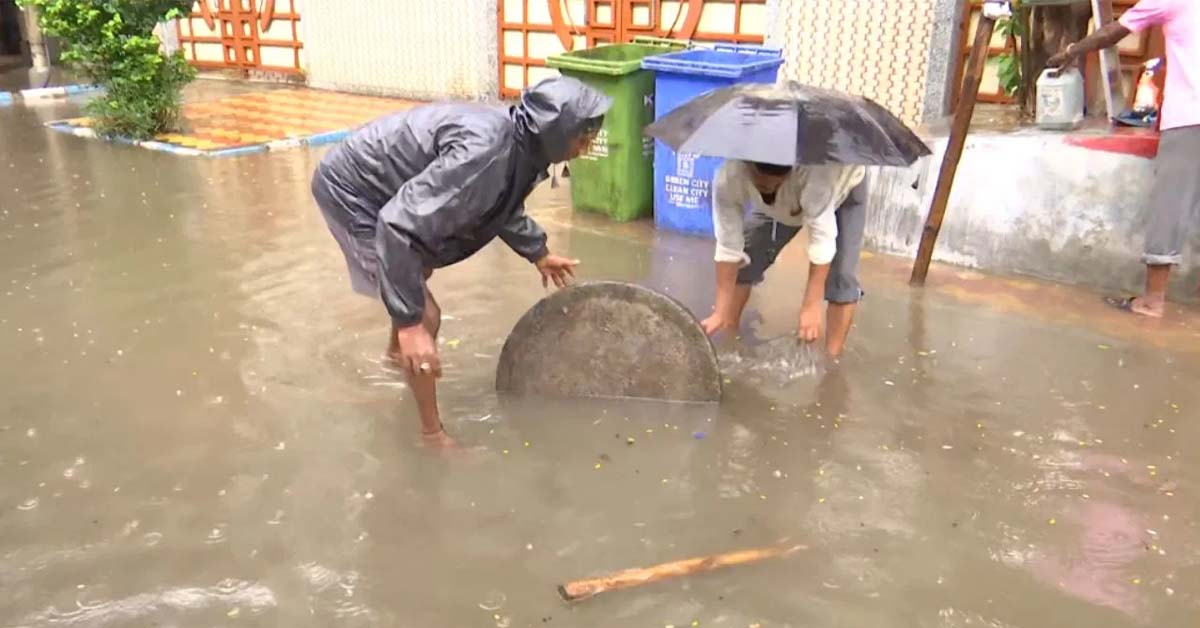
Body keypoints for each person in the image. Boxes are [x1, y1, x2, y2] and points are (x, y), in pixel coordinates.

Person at [311, 77, 611, 446]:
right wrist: (410, 323)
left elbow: (499, 202)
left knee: (414, 272)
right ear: (556, 132)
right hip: (354, 191)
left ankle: (395, 359)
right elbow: (397, 225)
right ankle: (430, 434)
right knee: (425, 314)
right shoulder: (486, 153)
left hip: (387, 188)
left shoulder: (522, 146)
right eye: (583, 135)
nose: (589, 144)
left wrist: (538, 252)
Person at [1049, 0, 1198, 318]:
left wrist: (1072, 50)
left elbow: (1111, 33)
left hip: (1190, 118)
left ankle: (1152, 300)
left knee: (1170, 205)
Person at [700, 160, 867, 357]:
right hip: (786, 199)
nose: (768, 184)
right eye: (761, 181)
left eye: (774, 181)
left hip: (843, 184)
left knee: (842, 276)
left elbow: (823, 239)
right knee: (748, 254)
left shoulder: (816, 178)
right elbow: (728, 246)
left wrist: (811, 305)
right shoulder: (729, 177)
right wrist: (720, 310)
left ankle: (831, 362)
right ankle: (727, 341)